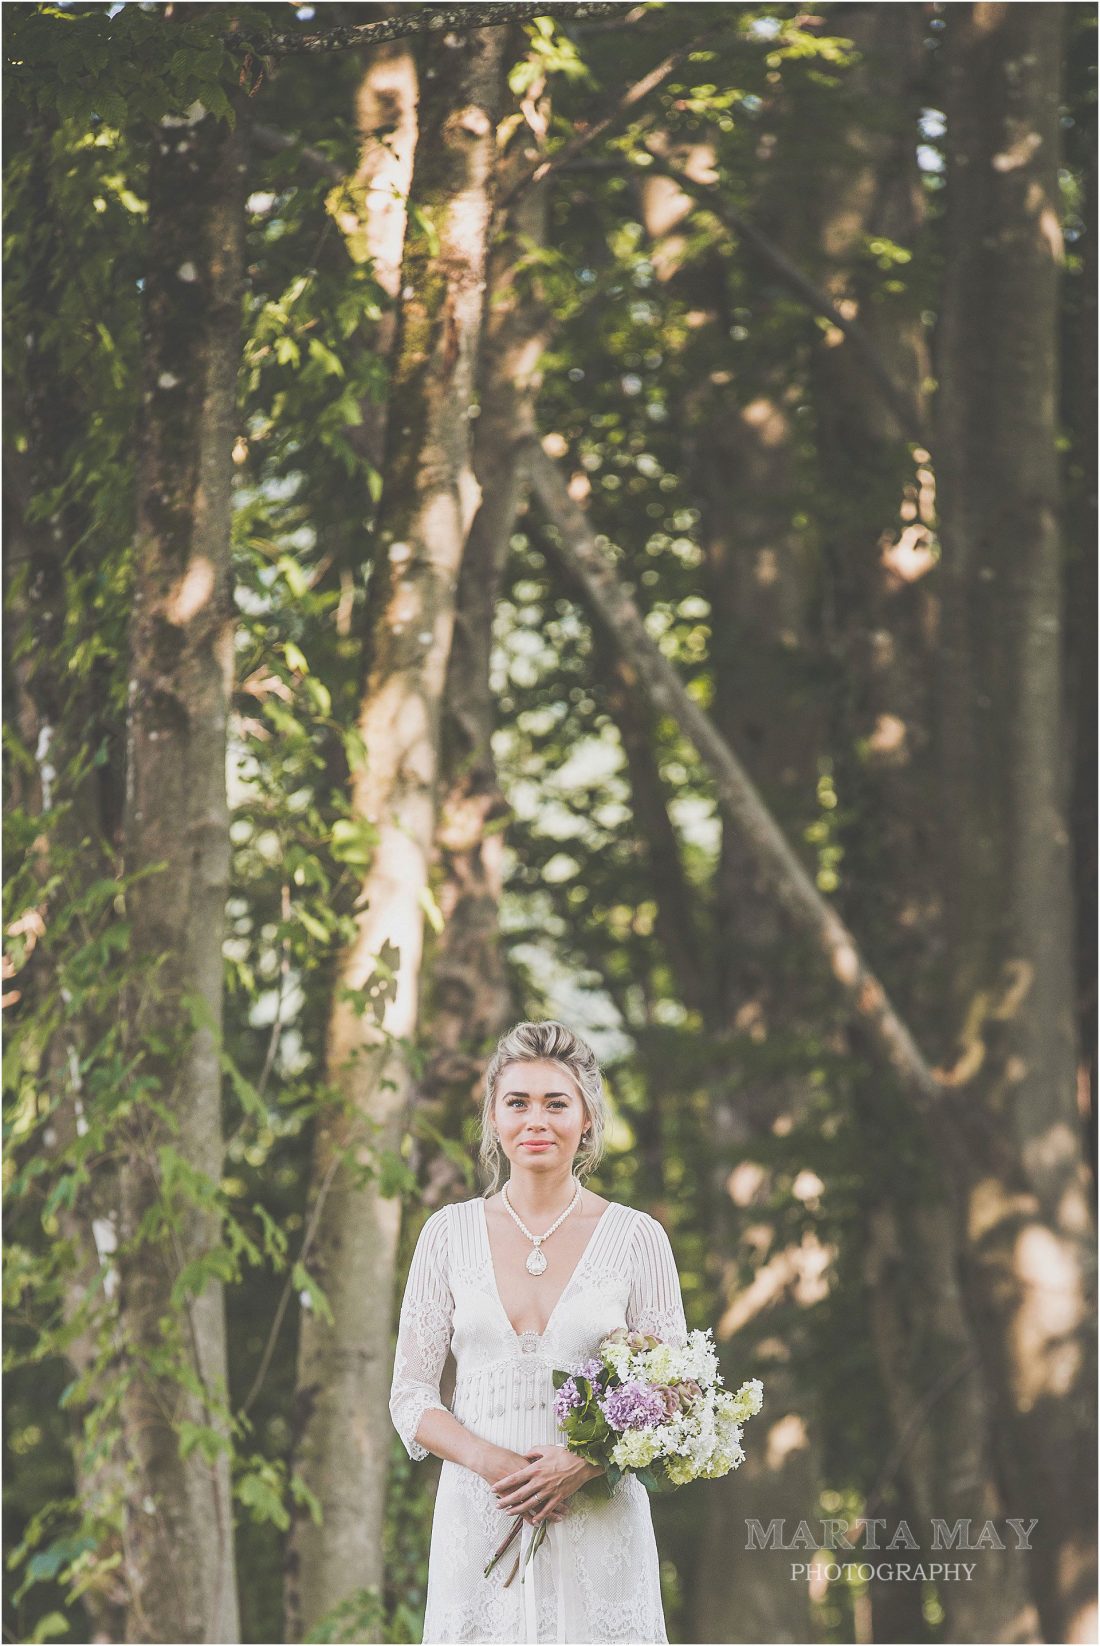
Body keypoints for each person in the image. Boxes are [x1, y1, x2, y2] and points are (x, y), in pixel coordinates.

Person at [389, 1019, 689, 1645]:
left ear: (586, 1120)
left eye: (557, 1104)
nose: (536, 1121)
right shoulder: (447, 1234)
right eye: (517, 1102)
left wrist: (583, 1462)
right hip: (479, 1520)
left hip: (597, 1519)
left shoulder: (637, 1238)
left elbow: (676, 1391)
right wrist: (492, 1462)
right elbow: (411, 1398)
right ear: (494, 1118)